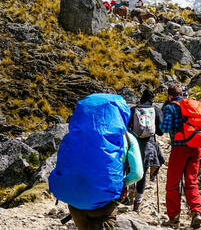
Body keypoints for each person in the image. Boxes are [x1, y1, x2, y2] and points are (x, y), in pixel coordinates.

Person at [50, 94, 143, 230]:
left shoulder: (74, 135)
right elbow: (137, 173)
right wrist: (120, 184)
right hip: (105, 201)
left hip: (75, 199)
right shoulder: (127, 138)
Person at [161, 83, 201, 228]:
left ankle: (173, 217)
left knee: (173, 183)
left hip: (179, 148)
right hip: (196, 147)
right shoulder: (194, 105)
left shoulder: (170, 107)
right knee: (191, 181)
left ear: (170, 96)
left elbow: (164, 127)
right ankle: (196, 212)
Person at [128, 88, 166, 212]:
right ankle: (138, 202)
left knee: (131, 166)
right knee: (143, 172)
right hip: (149, 145)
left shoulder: (134, 109)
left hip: (133, 143)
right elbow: (160, 132)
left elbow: (127, 127)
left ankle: (131, 187)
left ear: (141, 98)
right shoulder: (155, 110)